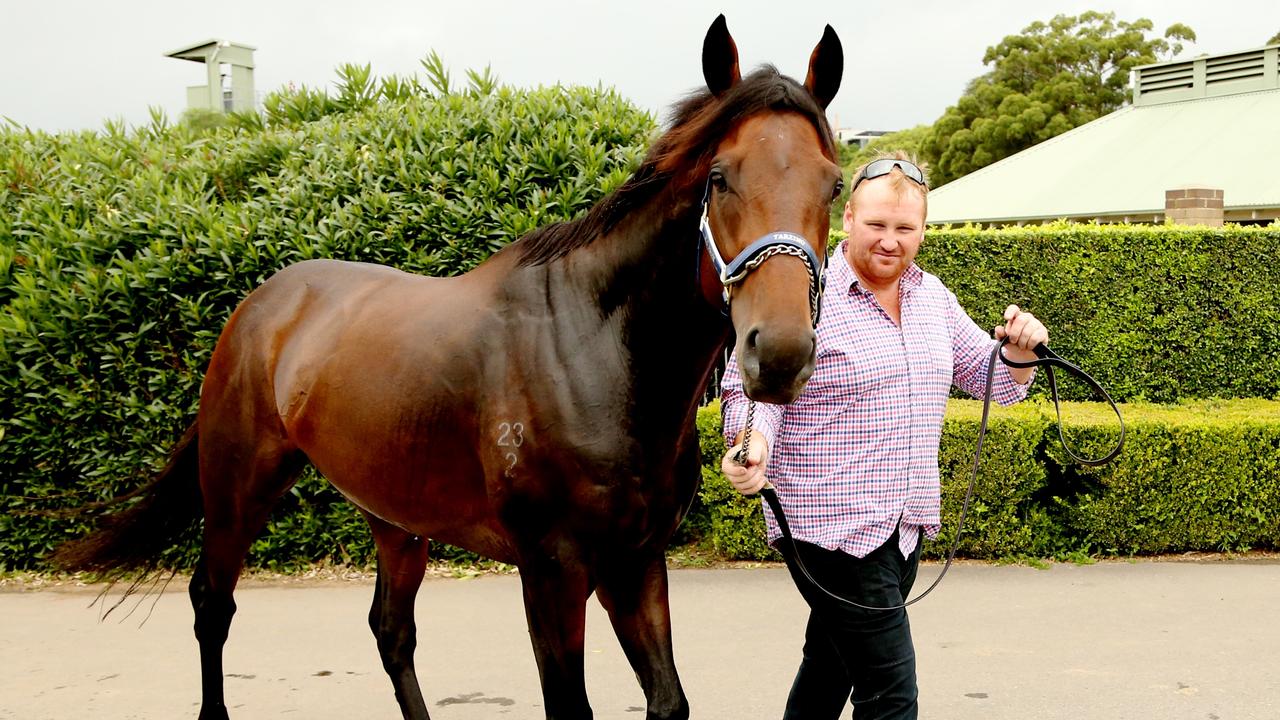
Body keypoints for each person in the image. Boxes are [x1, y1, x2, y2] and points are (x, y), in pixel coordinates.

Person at [719, 151, 1047, 720]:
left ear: (922, 229)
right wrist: (754, 441)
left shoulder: (932, 297)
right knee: (891, 698)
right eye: (876, 225)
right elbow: (754, 386)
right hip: (831, 528)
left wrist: (1019, 352)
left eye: (905, 228)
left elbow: (990, 378)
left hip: (903, 526)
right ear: (848, 219)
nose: (890, 241)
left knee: (830, 670)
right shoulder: (807, 293)